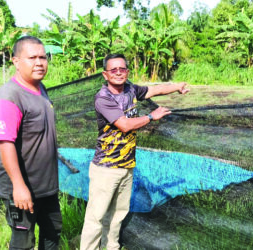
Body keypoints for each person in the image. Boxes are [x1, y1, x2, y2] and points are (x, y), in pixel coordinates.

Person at [80, 53, 189, 250]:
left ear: (127, 72)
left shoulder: (130, 89)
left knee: (118, 213)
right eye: (113, 70)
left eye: (122, 69)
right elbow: (124, 125)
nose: (118, 73)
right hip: (106, 168)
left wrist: (176, 86)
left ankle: (111, 246)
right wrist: (151, 116)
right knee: (96, 216)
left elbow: (154, 90)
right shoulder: (103, 98)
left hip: (127, 165)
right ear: (105, 74)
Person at [0, 36, 62, 250]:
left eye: (43, 57)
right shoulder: (9, 97)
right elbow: (5, 143)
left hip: (45, 185)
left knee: (53, 232)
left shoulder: (41, 89)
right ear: (16, 61)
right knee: (23, 241)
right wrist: (19, 187)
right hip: (22, 187)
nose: (39, 62)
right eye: (32, 57)